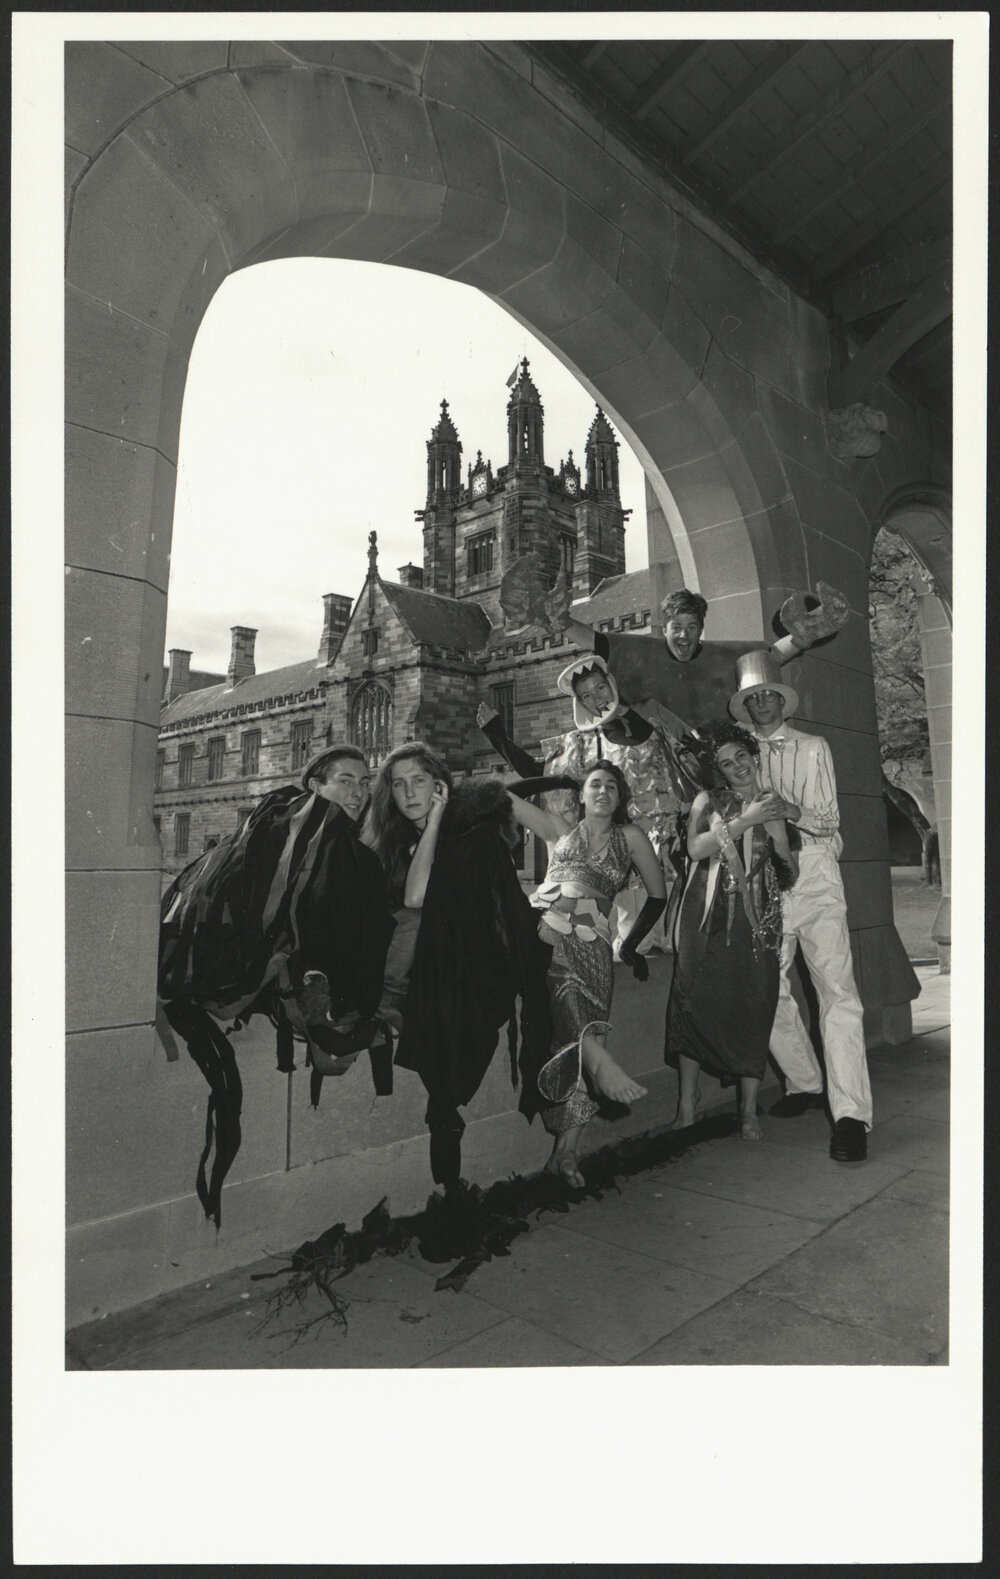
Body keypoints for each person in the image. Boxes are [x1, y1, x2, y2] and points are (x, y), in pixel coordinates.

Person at [361, 742, 555, 1189]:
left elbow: (430, 898)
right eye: (399, 784)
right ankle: (449, 1171)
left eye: (420, 781)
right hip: (420, 981)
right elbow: (410, 899)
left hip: (466, 977)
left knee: (450, 1070)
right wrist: (429, 828)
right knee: (441, 1084)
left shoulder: (473, 834)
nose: (409, 793)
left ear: (440, 786)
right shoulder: (391, 839)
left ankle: (449, 1162)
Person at [729, 650, 873, 1162]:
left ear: (781, 700)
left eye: (770, 694)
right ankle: (806, 1081)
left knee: (837, 993)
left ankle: (851, 1115)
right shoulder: (738, 754)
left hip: (813, 873)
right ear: (744, 705)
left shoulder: (814, 747)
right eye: (754, 697)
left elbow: (830, 820)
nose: (763, 702)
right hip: (765, 878)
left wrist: (790, 809)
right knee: (767, 986)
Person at [505, 760, 667, 1187]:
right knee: (574, 1022)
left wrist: (628, 944)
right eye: (594, 785)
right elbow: (504, 795)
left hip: (593, 943)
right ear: (581, 794)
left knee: (581, 1035)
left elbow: (657, 895)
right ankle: (599, 1070)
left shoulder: (629, 837)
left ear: (620, 797)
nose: (602, 792)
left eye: (611, 787)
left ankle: (566, 1153)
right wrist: (557, 779)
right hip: (542, 934)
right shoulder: (559, 829)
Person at [477, 654, 700, 954]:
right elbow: (539, 771)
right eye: (586, 695)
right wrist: (498, 738)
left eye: (600, 688)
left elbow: (694, 769)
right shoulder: (582, 745)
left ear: (612, 684)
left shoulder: (656, 725)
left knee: (678, 942)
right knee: (635, 944)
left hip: (673, 856)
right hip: (625, 864)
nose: (596, 698)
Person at [499, 552, 850, 726]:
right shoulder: (638, 651)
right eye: (676, 626)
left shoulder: (723, 656)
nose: (683, 634)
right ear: (663, 627)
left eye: (691, 626)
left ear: (701, 629)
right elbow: (593, 640)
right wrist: (556, 621)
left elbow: (771, 654)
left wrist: (803, 637)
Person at [665, 722, 799, 1140]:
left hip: (756, 922)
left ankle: (747, 1112)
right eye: (726, 763)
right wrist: (747, 819)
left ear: (752, 756)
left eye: (741, 756)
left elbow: (790, 875)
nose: (737, 766)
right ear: (719, 771)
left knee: (753, 1005)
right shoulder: (708, 800)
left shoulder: (775, 804)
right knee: (693, 1002)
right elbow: (695, 849)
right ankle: (688, 1103)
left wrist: (774, 829)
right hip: (702, 921)